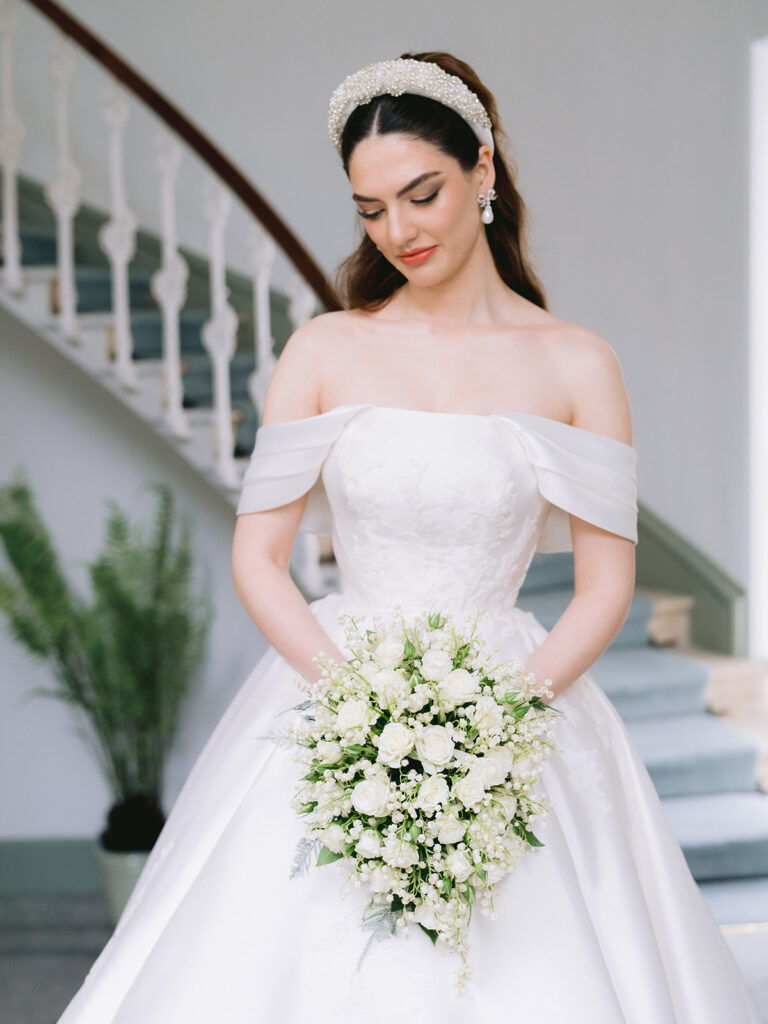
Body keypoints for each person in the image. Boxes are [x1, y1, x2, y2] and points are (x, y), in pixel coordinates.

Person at [57, 51, 760, 1023]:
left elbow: (606, 586)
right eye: (371, 208)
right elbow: (258, 560)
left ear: (482, 170)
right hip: (336, 692)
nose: (398, 231)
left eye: (420, 193)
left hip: (512, 702)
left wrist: (491, 721)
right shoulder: (325, 348)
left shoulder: (577, 363)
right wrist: (362, 712)